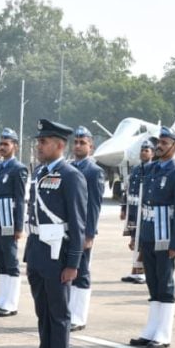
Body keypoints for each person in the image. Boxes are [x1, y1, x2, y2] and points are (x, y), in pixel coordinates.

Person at [18, 119, 87, 348]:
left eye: (43, 142)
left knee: (59, 317)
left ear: (59, 145)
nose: (38, 146)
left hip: (58, 255)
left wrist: (73, 262)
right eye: (38, 141)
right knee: (43, 315)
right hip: (37, 252)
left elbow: (78, 222)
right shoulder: (39, 173)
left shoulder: (71, 175)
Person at [130, 127, 175, 348]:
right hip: (148, 234)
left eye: (165, 142)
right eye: (159, 142)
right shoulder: (151, 169)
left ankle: (163, 333)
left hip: (165, 237)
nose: (160, 145)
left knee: (165, 284)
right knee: (153, 284)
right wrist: (139, 238)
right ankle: (150, 330)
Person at [0, 129, 28, 317]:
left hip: (9, 220)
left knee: (10, 261)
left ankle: (11, 303)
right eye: (1, 144)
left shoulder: (18, 169)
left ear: (15, 146)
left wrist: (19, 226)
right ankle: (1, 300)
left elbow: (19, 199)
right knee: (0, 261)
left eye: (6, 144)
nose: (2, 147)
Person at [68, 127, 105, 332]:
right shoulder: (70, 167)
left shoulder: (94, 171)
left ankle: (79, 317)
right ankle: (69, 312)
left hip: (83, 230)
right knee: (68, 270)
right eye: (76, 142)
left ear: (91, 146)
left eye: (83, 142)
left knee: (81, 271)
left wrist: (89, 233)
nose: (78, 146)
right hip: (68, 229)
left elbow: (94, 205)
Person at [120, 140, 154, 284]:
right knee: (134, 240)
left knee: (143, 242)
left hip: (144, 210)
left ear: (152, 153)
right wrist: (123, 208)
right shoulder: (135, 169)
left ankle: (143, 272)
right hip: (133, 209)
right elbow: (126, 189)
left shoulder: (153, 169)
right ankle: (135, 270)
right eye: (142, 149)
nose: (143, 152)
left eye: (147, 150)